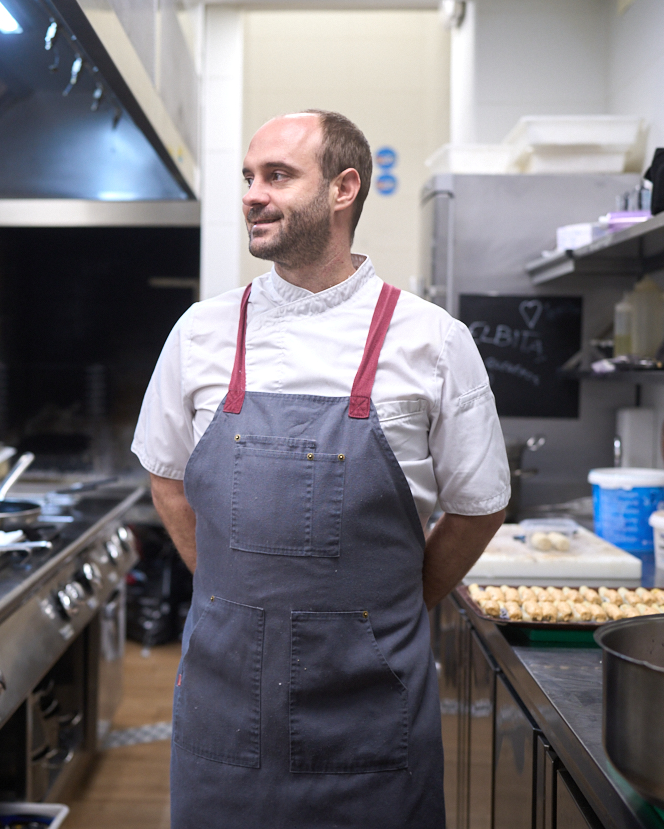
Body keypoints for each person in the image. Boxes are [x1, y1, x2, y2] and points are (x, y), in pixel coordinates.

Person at [132, 109, 510, 828]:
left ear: (343, 189)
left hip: (368, 710)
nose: (251, 193)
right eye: (248, 176)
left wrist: (385, 608)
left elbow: (479, 505)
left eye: (277, 175)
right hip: (223, 707)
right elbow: (168, 479)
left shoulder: (433, 341)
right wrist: (227, 588)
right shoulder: (201, 331)